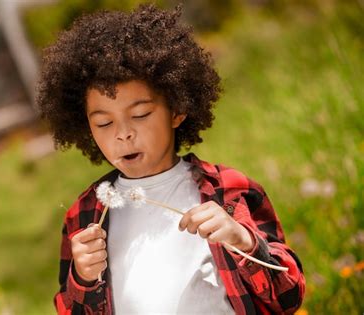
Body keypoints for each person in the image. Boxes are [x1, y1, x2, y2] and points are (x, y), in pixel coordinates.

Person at [36, 3, 305, 314]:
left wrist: (243, 240)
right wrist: (81, 278)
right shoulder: (83, 216)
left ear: (177, 109)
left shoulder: (231, 191)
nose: (123, 134)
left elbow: (289, 296)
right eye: (104, 123)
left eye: (140, 114)